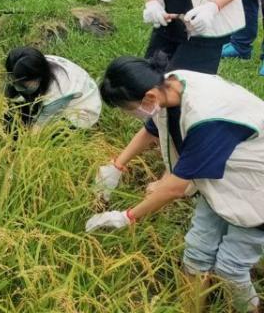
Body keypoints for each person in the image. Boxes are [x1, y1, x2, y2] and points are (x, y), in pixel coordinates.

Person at [89, 56, 264, 313]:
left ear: (148, 97)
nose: (129, 116)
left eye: (128, 109)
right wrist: (117, 164)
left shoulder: (206, 118)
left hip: (256, 185)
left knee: (230, 269)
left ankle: (250, 309)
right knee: (195, 255)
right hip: (221, 178)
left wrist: (127, 216)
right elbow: (152, 129)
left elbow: (175, 188)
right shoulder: (170, 84)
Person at [2, 47, 101, 130]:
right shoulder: (27, 65)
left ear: (38, 79)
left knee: (54, 131)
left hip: (82, 107)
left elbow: (39, 126)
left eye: (23, 84)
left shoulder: (56, 92)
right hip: (73, 85)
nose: (16, 85)